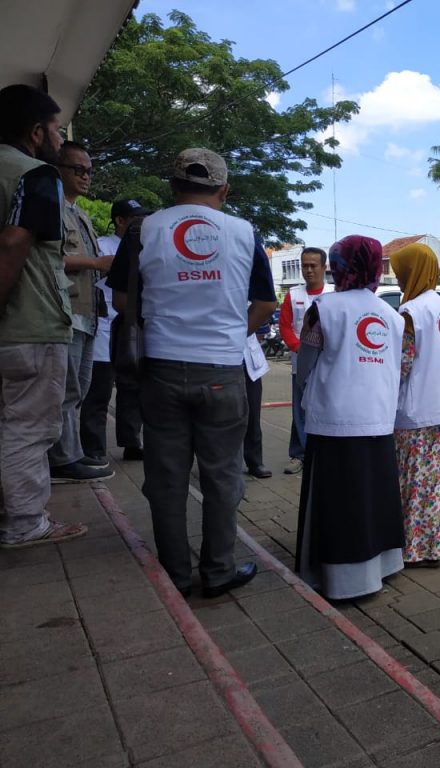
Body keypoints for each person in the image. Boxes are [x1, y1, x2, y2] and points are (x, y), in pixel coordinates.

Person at [108, 148, 276, 598]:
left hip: (160, 368)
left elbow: (122, 302)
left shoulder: (145, 228)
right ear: (224, 189)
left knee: (166, 476)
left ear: (173, 186)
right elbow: (265, 304)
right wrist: (227, 334)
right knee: (223, 474)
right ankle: (218, 571)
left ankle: (176, 574)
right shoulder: (244, 232)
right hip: (223, 370)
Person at [0, 84, 88, 548]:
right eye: (56, 130)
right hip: (29, 324)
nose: (59, 139)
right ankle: (24, 522)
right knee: (29, 427)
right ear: (36, 132)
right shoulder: (35, 174)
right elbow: (16, 242)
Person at [294, 235, 404, 600]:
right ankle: (383, 567)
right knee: (374, 499)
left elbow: (305, 364)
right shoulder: (392, 315)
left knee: (339, 501)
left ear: (338, 267)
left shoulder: (323, 308)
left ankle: (342, 580)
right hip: (378, 418)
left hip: (335, 421)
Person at [47, 142, 115, 483]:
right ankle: (62, 459)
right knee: (65, 389)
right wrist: (96, 262)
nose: (86, 176)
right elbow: (47, 259)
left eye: (89, 170)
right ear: (57, 168)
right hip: (65, 311)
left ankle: (70, 453)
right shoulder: (51, 208)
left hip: (89, 314)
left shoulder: (81, 214)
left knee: (80, 389)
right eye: (78, 169)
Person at [390, 243, 440, 567]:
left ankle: (415, 549)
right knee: (437, 482)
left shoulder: (411, 312)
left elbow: (401, 365)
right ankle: (439, 544)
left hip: (415, 411)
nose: (398, 278)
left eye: (401, 272)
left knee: (415, 483)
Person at [80, 199, 148, 463]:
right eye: (135, 218)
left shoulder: (145, 246)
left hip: (130, 327)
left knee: (132, 389)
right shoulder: (103, 247)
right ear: (120, 221)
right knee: (99, 392)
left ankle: (132, 442)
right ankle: (93, 448)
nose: (141, 223)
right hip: (103, 325)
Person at [280, 246, 332, 475]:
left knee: (325, 409)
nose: (308, 270)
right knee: (300, 410)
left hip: (327, 366)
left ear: (324, 267)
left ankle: (321, 454)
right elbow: (285, 326)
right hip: (300, 365)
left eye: (313, 266)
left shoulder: (333, 293)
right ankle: (299, 455)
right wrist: (300, 348)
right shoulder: (294, 294)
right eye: (304, 266)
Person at [242, 327, 272, 479]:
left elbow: (263, 314)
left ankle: (254, 461)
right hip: (220, 357)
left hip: (249, 362)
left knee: (253, 413)